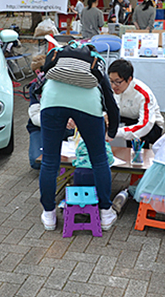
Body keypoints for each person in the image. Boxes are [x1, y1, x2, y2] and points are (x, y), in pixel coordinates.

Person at [38, 45, 120, 231]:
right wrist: (112, 131)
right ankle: (106, 213)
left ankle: (49, 215)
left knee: (50, 162)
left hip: (52, 100)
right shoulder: (95, 60)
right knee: (99, 160)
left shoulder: (57, 57)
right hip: (88, 104)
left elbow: (42, 81)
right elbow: (110, 100)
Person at [107, 59, 164, 147]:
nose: (114, 86)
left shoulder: (143, 94)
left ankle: (138, 158)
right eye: (111, 81)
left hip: (150, 124)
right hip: (123, 118)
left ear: (129, 79)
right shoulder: (110, 88)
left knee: (138, 138)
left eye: (118, 82)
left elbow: (145, 125)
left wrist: (117, 132)